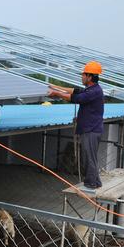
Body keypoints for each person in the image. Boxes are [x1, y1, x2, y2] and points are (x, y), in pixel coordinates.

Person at [47, 61, 105, 190]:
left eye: (83, 74)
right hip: (91, 129)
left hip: (91, 130)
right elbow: (74, 91)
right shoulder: (92, 89)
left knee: (88, 157)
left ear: (89, 76)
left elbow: (76, 98)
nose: (82, 76)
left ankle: (90, 183)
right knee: (91, 156)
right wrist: (56, 87)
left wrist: (57, 94)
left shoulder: (94, 92)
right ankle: (96, 181)